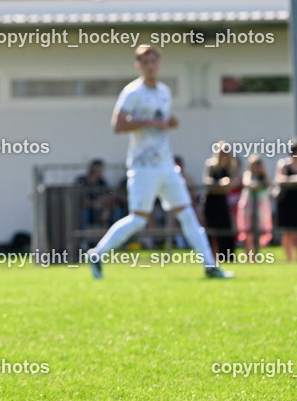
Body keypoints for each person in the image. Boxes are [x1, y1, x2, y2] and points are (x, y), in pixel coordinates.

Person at [87, 45, 231, 279]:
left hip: (166, 165)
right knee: (138, 220)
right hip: (143, 166)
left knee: (187, 213)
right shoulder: (132, 92)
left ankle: (210, 266)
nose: (150, 65)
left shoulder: (164, 91)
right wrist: (146, 122)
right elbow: (118, 125)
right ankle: (97, 254)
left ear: (159, 64)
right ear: (139, 66)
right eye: (145, 62)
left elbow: (163, 122)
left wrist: (170, 122)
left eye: (153, 61)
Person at [202, 144, 241, 264]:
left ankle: (227, 259)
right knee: (211, 232)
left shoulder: (231, 167)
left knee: (225, 230)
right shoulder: (211, 165)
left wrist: (227, 185)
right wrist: (220, 184)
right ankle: (211, 259)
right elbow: (207, 181)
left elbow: (235, 181)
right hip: (211, 202)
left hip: (223, 202)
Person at [274, 138, 297, 262]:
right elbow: (279, 179)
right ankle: (289, 259)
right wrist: (295, 179)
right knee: (288, 232)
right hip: (287, 201)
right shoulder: (284, 164)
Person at [237, 154, 272, 259]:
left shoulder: (264, 175)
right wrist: (259, 184)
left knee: (260, 231)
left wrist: (262, 177)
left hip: (261, 208)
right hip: (248, 208)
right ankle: (248, 256)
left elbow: (270, 182)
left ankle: (256, 255)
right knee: (248, 232)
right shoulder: (248, 174)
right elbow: (249, 184)